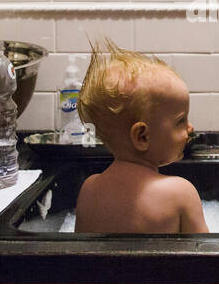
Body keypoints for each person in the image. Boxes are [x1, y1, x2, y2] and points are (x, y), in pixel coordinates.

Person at [74, 39, 208, 234]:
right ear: (142, 136)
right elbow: (210, 259)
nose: (190, 127)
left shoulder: (89, 189)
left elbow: (77, 257)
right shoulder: (180, 194)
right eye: (180, 121)